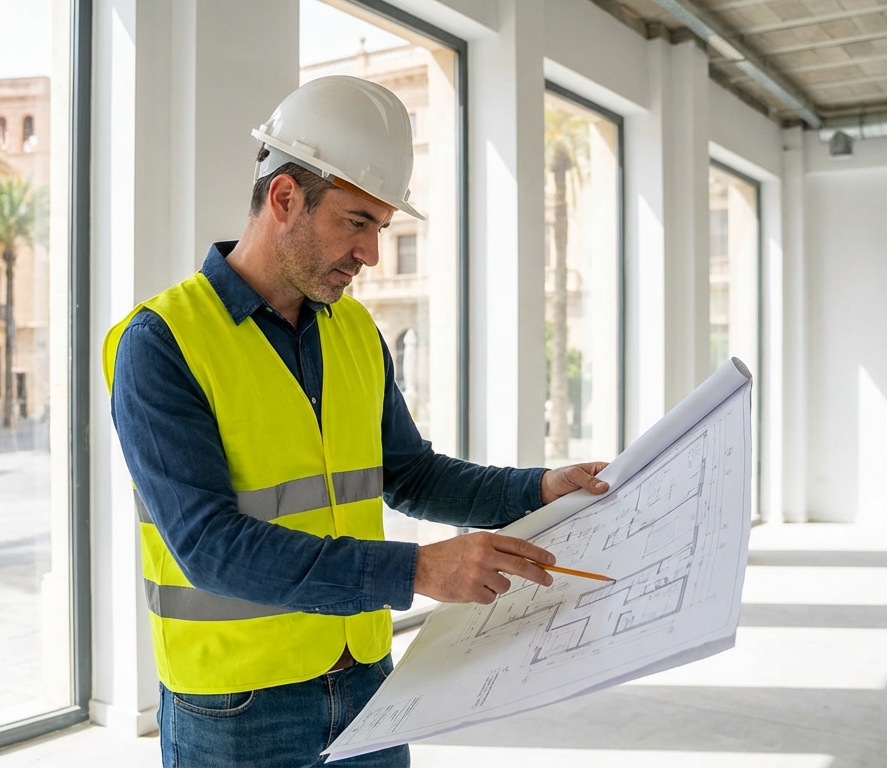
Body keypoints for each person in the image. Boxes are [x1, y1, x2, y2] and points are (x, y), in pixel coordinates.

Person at [106, 76, 612, 767]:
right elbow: (208, 545)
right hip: (234, 706)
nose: (371, 254)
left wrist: (538, 488)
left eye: (380, 227)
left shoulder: (353, 332)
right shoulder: (161, 341)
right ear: (284, 198)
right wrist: (418, 570)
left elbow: (409, 474)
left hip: (365, 679)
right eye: (357, 222)